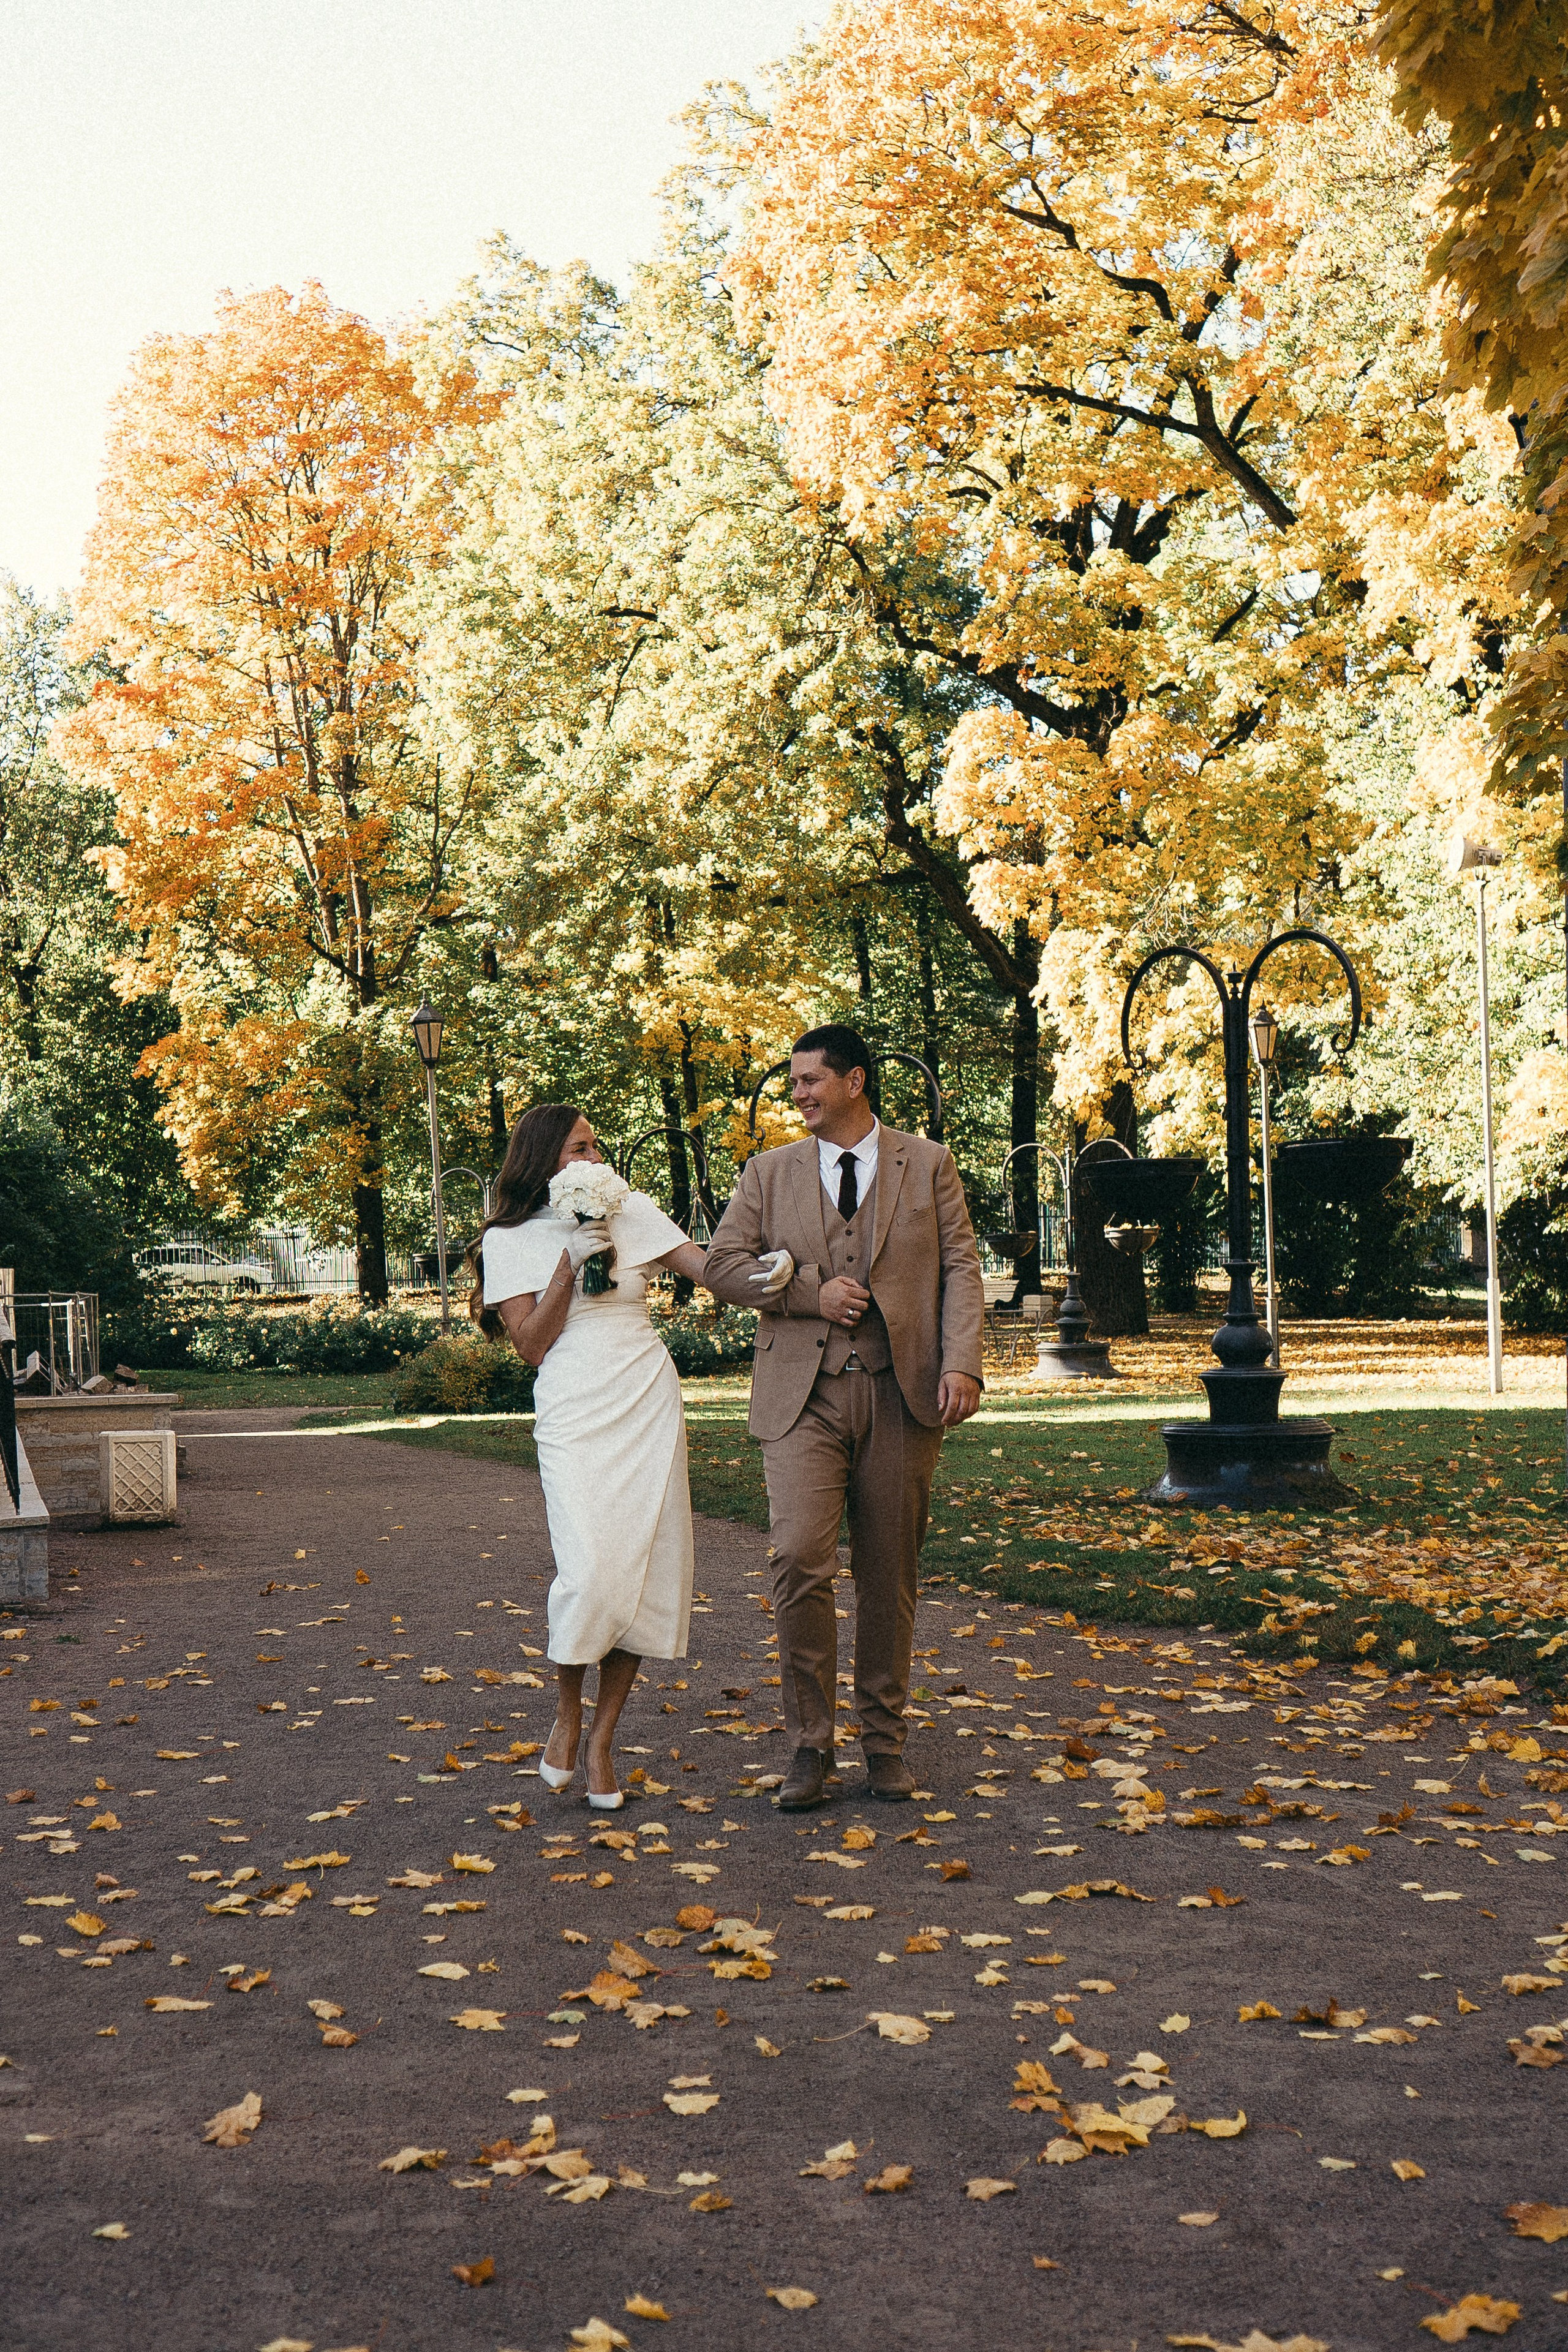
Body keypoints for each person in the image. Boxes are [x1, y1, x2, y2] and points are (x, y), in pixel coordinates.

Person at [472, 1102, 790, 1808]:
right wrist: (567, 1266)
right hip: (574, 1406)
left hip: (645, 1394)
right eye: (578, 1147)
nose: (593, 1158)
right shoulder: (507, 1239)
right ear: (543, 1158)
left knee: (644, 1573)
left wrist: (783, 1269)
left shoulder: (630, 1207)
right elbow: (531, 1345)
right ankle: (566, 1711)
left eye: (595, 1146)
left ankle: (604, 1740)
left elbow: (710, 1272)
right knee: (591, 1574)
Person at [704, 1024, 985, 1811]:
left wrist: (962, 1360)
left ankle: (885, 1744)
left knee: (890, 1574)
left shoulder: (925, 1162)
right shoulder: (767, 1173)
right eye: (794, 1083)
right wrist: (806, 1293)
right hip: (804, 1396)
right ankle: (809, 1745)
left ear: (854, 1081)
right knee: (798, 1559)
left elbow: (961, 1264)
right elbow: (724, 1267)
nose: (797, 1095)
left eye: (808, 1082)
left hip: (903, 1391)